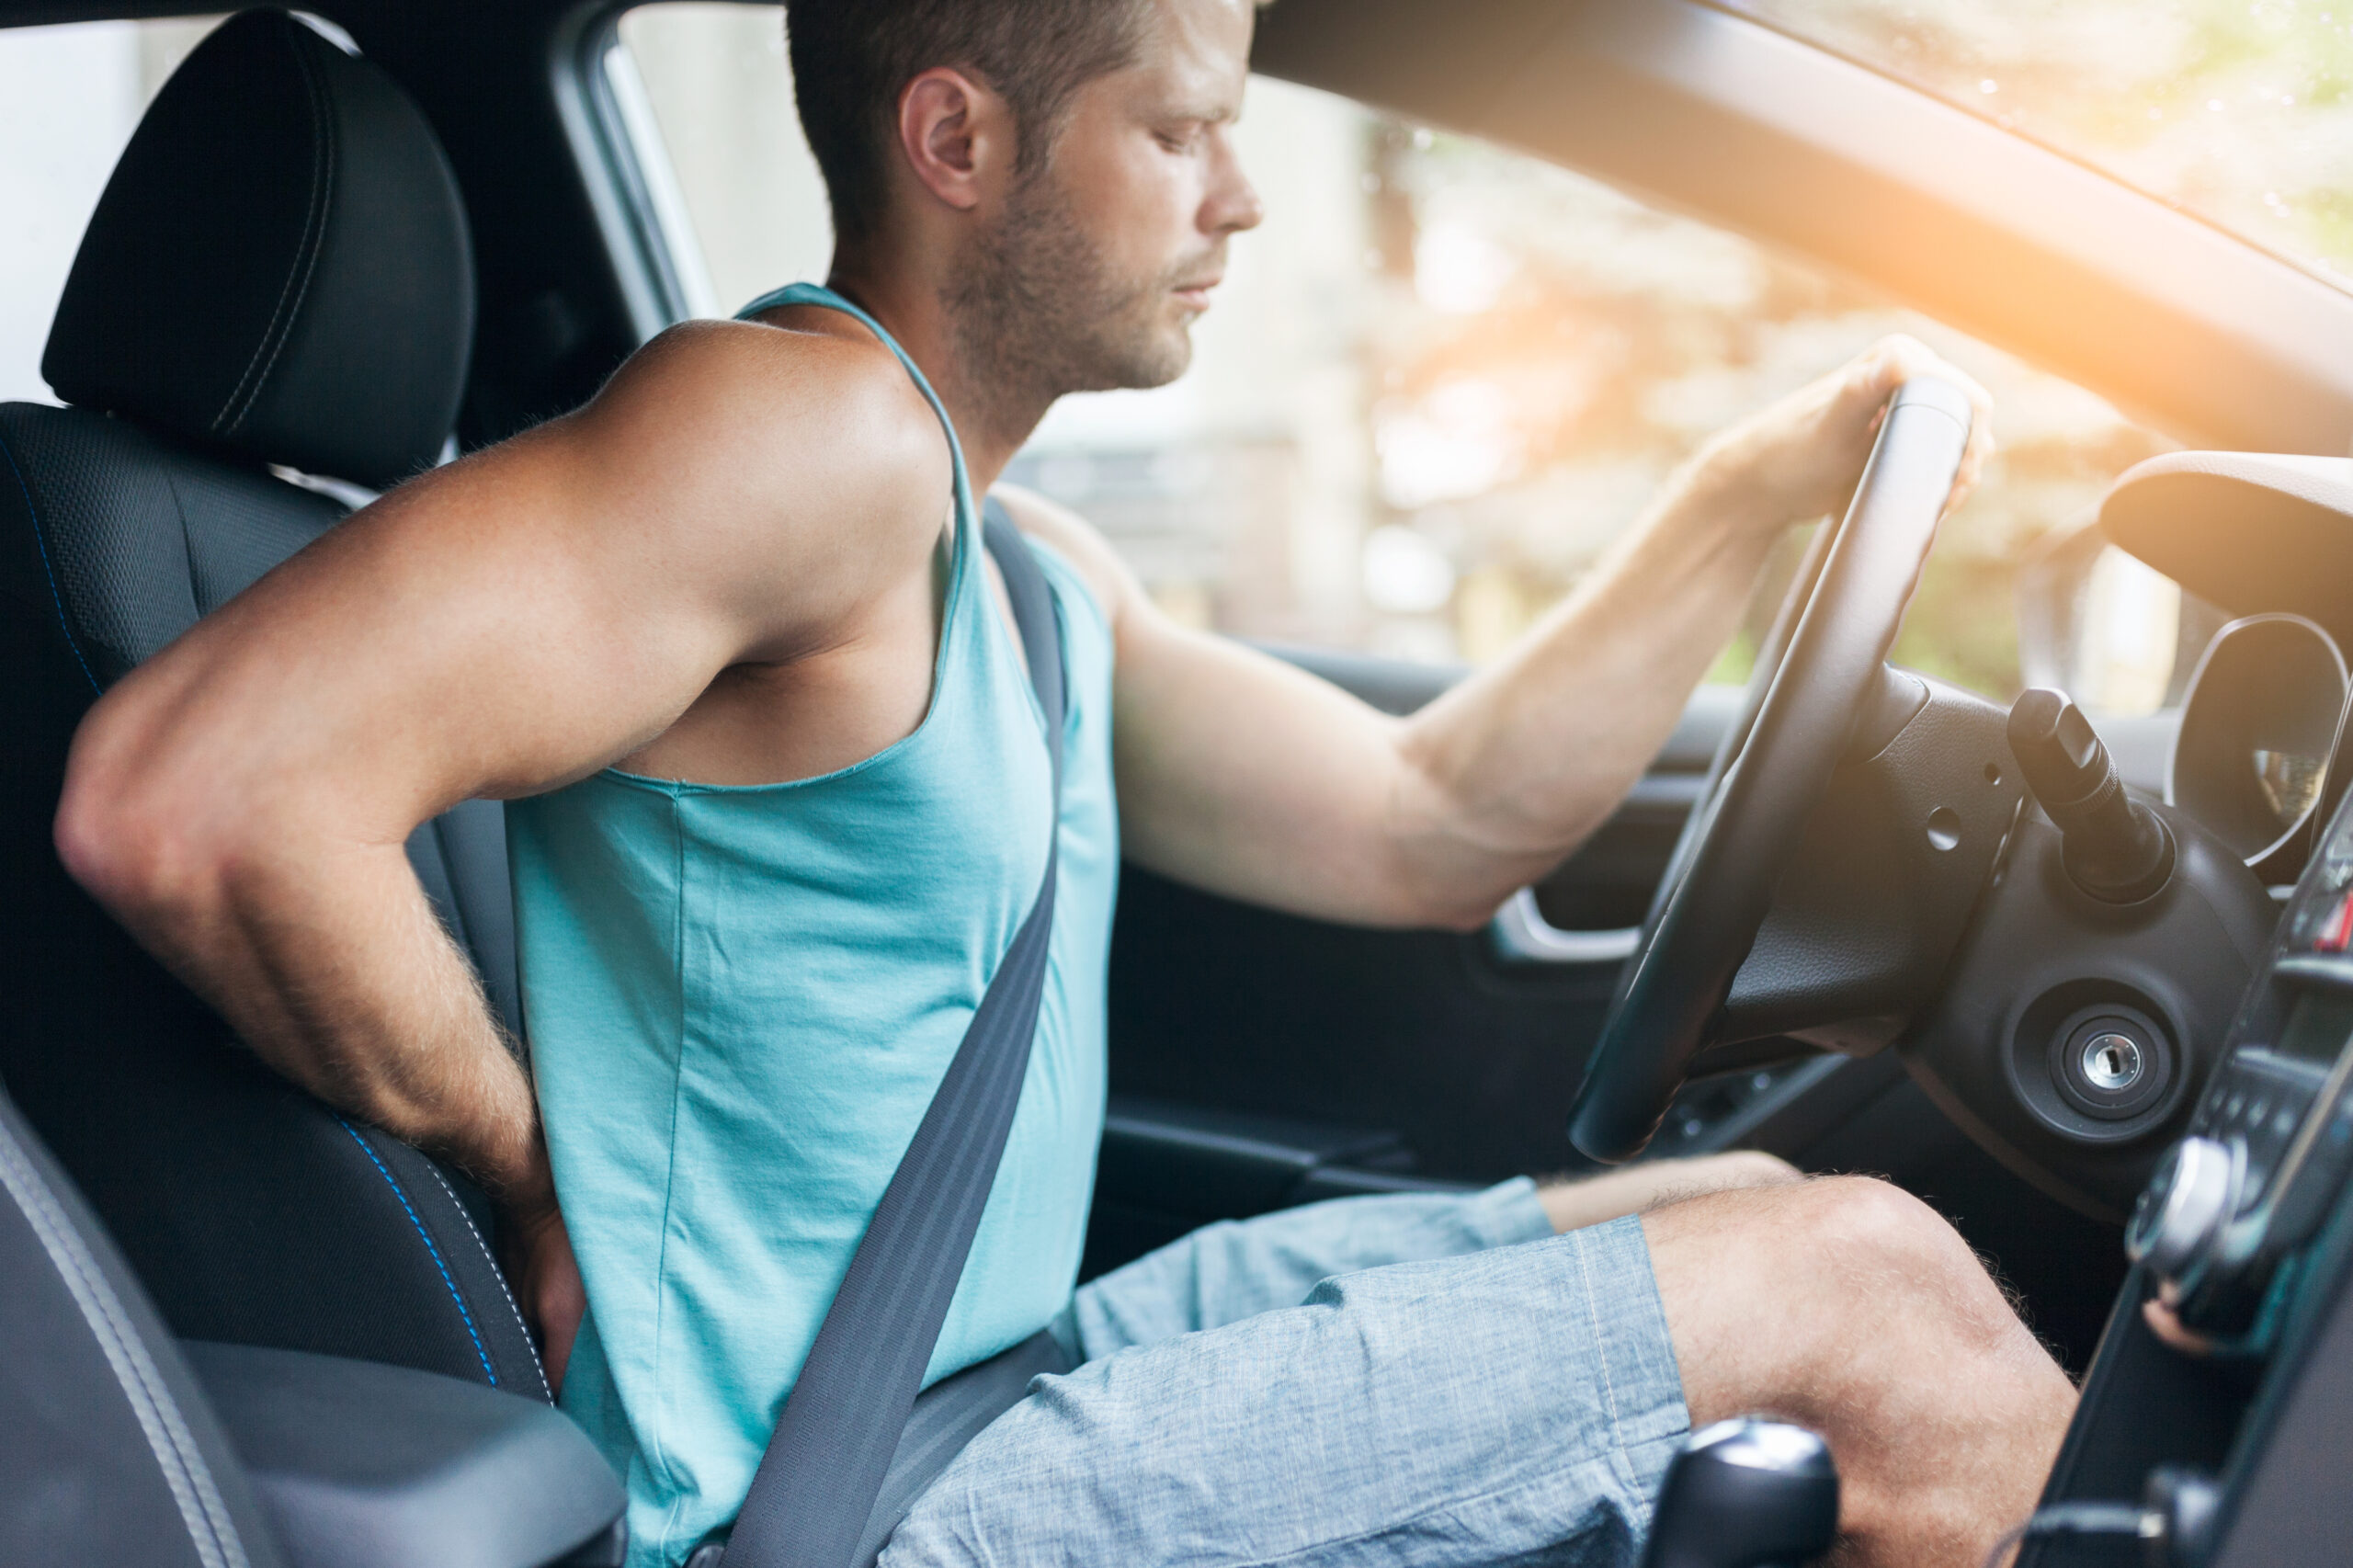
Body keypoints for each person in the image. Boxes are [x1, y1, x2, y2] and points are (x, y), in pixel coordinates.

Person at [53, 0, 2076, 1563]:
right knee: (1872, 1303)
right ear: (959, 140)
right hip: (842, 1501)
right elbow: (189, 793)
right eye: (1179, 131)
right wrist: (524, 1170)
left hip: (1013, 1375)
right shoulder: (796, 437)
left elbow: (1430, 818)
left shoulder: (1017, 565)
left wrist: (1738, 497)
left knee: (1750, 1206)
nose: (1240, 198)